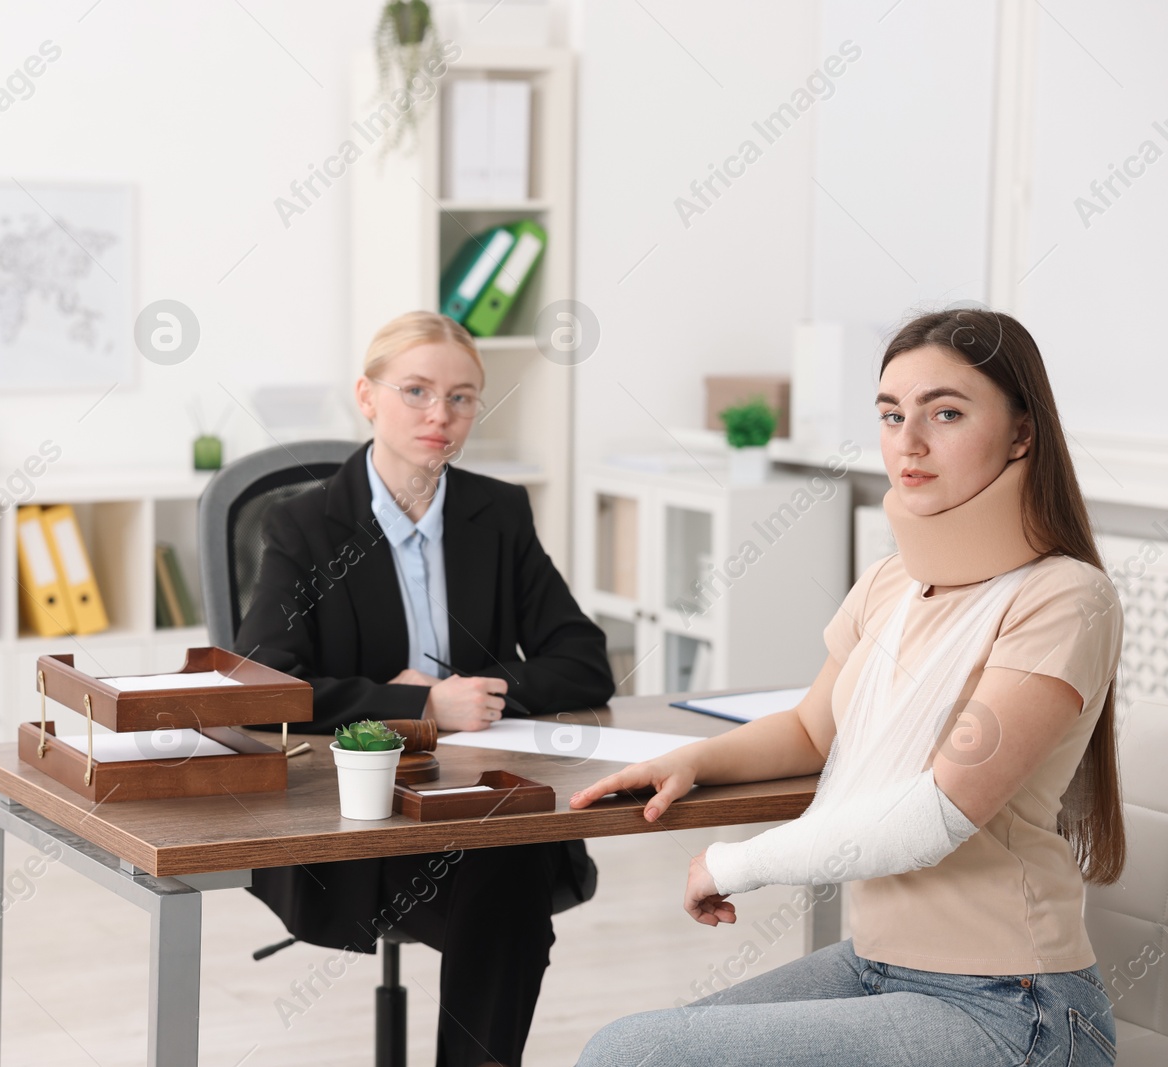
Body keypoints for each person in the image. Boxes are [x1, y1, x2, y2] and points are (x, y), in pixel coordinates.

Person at [569, 308, 1126, 1066]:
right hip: (876, 964)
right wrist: (695, 762)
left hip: (1016, 1003)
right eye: (893, 415)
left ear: (1023, 433)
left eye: (947, 413)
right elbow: (808, 729)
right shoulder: (894, 581)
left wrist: (737, 863)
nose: (910, 441)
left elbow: (937, 812)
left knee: (631, 1053)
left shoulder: (1064, 598)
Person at [235, 310, 616, 1067]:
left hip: (472, 800)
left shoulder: (496, 512)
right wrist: (415, 707)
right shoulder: (302, 527)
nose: (440, 415)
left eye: (463, 397)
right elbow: (265, 689)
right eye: (415, 390)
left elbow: (583, 658)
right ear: (367, 396)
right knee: (506, 889)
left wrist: (481, 690)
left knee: (508, 859)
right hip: (353, 816)